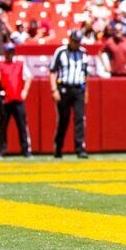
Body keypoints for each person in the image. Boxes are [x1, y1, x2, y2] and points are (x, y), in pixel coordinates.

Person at [50, 29, 90, 159]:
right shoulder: (60, 51)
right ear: (70, 40)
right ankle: (58, 148)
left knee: (80, 118)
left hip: (78, 89)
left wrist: (86, 91)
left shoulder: (83, 53)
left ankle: (80, 149)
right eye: (75, 41)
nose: (76, 44)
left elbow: (85, 73)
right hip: (64, 89)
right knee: (63, 119)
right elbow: (52, 71)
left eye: (78, 42)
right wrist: (54, 89)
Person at [0, 42, 33, 157]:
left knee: (22, 125)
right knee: (3, 126)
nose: (10, 54)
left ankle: (26, 150)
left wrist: (25, 90)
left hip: (18, 98)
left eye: (11, 51)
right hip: (4, 99)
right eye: (8, 51)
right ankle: (2, 150)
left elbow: (29, 76)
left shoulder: (20, 64)